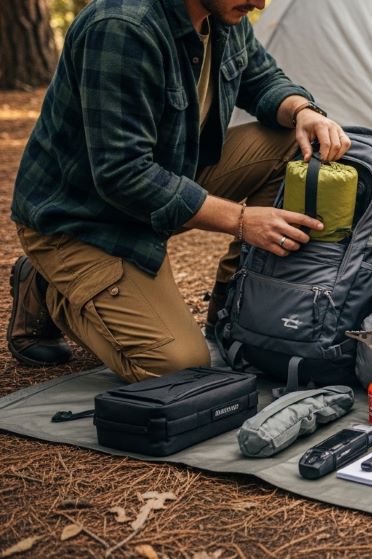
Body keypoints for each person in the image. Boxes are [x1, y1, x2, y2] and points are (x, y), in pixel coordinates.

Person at [7, 0, 349, 382]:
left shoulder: (220, 13)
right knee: (177, 367)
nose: (259, 3)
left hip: (166, 177)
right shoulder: (122, 26)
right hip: (83, 220)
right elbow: (122, 172)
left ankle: (234, 309)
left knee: (291, 145)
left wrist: (303, 110)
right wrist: (240, 221)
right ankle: (53, 286)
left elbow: (262, 80)